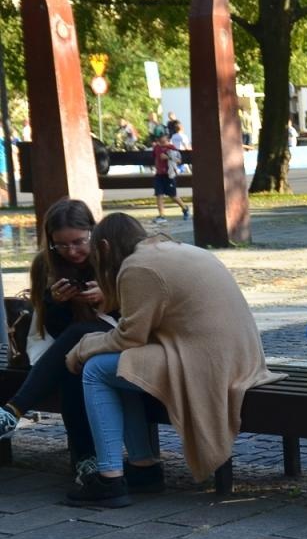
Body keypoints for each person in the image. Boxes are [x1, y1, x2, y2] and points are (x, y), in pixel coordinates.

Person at [64, 215, 280, 506]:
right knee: (122, 367)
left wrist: (83, 348)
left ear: (104, 246)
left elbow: (130, 337)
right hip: (239, 357)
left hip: (209, 363)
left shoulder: (137, 267)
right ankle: (142, 468)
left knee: (95, 369)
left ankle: (109, 479)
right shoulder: (178, 249)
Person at [0, 200, 111, 462]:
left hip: (116, 337)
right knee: (72, 366)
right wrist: (55, 303)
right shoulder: (45, 264)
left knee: (77, 345)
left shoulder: (109, 255)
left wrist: (108, 297)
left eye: (78, 242)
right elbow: (55, 330)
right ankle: (85, 462)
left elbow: (135, 313)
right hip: (69, 348)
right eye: (61, 245)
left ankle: (13, 411)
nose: (71, 251)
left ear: (92, 231)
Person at [151, 129, 188, 225]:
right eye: (158, 138)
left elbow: (179, 161)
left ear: (167, 137)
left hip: (169, 175)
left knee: (173, 195)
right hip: (159, 175)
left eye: (162, 137)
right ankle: (161, 215)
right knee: (159, 194)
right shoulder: (156, 148)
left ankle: (184, 208)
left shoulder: (171, 147)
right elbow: (155, 158)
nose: (160, 139)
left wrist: (168, 157)